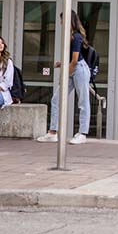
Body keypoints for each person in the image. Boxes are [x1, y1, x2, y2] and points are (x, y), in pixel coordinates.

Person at [37, 10, 92, 145]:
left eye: (62, 20)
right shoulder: (70, 36)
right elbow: (73, 59)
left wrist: (65, 73)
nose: (61, 23)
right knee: (56, 99)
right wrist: (62, 64)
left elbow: (75, 60)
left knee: (83, 101)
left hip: (79, 69)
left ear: (69, 20)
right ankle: (52, 132)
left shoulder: (76, 37)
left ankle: (82, 133)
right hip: (74, 68)